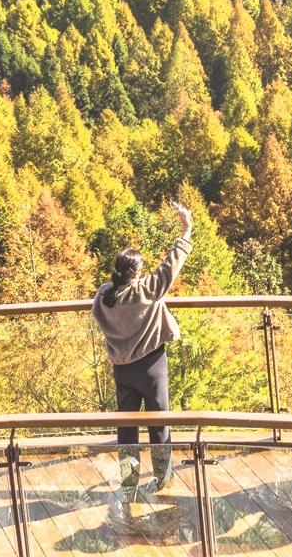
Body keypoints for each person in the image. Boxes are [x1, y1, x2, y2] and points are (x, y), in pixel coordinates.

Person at [92, 201, 193, 488]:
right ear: (136, 272)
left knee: (126, 427)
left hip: (121, 368)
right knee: (158, 422)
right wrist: (186, 230)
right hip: (151, 365)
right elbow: (171, 265)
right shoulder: (146, 290)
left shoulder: (103, 296)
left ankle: (128, 479)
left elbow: (101, 310)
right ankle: (162, 477)